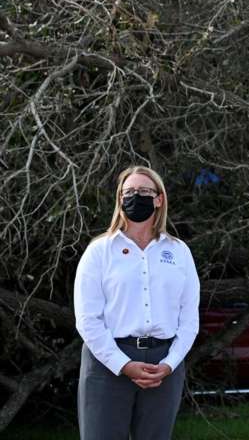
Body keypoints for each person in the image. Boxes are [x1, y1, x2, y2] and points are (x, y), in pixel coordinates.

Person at [73, 165, 200, 440]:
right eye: (128, 191)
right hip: (107, 364)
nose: (135, 196)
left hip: (163, 366)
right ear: (120, 199)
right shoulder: (99, 251)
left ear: (158, 199)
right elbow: (87, 319)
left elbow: (189, 318)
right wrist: (123, 364)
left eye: (144, 191)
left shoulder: (179, 252)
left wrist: (170, 363)